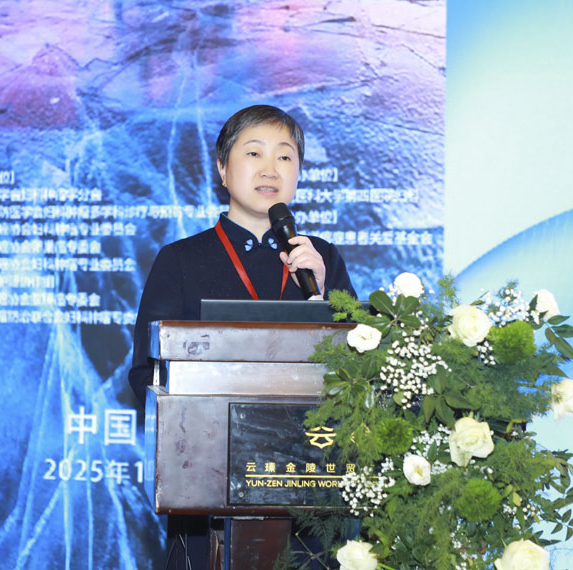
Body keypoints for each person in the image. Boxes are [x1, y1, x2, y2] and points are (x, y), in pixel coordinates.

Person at [128, 104, 356, 568]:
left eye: (285, 157)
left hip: (311, 485)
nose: (271, 168)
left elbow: (359, 366)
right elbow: (145, 373)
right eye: (254, 153)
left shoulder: (321, 259)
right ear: (222, 169)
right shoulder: (181, 259)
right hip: (207, 488)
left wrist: (323, 296)